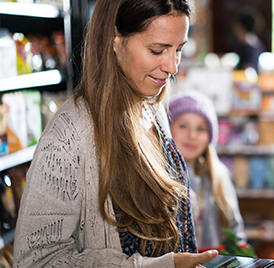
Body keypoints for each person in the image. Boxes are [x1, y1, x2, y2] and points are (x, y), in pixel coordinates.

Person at [12, 0, 219, 267]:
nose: (172, 66)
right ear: (115, 39)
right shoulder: (69, 136)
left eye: (179, 49)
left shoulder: (153, 109)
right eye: (157, 50)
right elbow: (36, 261)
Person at [169, 90, 246, 248]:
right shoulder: (160, 176)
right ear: (167, 130)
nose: (192, 135)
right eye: (183, 126)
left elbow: (235, 230)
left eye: (201, 129)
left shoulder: (219, 176)